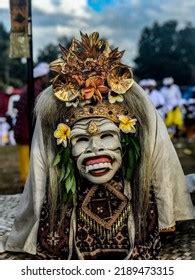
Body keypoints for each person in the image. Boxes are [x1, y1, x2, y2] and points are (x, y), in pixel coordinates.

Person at [0, 32, 194, 260]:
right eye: (81, 139)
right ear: (65, 147)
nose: (95, 148)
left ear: (125, 139)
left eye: (107, 136)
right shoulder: (59, 213)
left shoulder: (141, 196)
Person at [13, 62, 50, 185]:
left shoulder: (31, 88)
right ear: (41, 77)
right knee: (26, 165)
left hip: (23, 131)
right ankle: (25, 188)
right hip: (25, 132)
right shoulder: (35, 90)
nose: (48, 79)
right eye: (46, 76)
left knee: (28, 162)